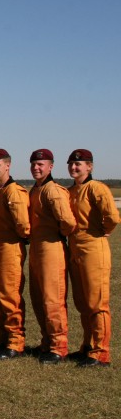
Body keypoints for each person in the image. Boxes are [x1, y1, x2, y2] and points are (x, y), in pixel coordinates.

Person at [66, 149, 120, 367]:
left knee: (97, 302)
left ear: (90, 167)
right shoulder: (71, 191)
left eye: (79, 164)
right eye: (71, 164)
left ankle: (100, 352)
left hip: (93, 247)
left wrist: (102, 231)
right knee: (82, 302)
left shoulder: (97, 188)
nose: (74, 167)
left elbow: (112, 217)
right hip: (75, 247)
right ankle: (87, 346)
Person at [28, 149, 76, 364]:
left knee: (52, 299)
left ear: (51, 166)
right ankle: (47, 341)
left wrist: (57, 236)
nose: (36, 168)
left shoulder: (53, 191)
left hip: (52, 248)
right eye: (34, 164)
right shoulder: (35, 190)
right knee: (38, 297)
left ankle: (59, 346)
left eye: (41, 164)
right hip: (37, 248)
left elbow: (68, 222)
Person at [0, 149, 30, 360]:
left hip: (10, 250)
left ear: (8, 166)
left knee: (10, 296)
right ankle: (0, 336)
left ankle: (15, 340)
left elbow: (24, 226)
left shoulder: (14, 191)